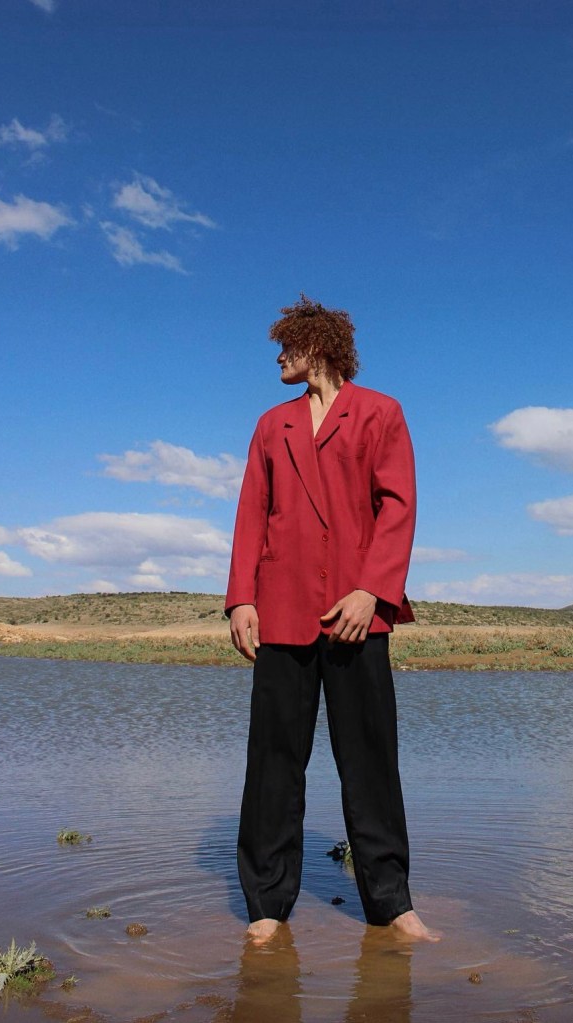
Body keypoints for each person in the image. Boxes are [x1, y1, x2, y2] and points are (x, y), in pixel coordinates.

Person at [225, 294, 437, 944]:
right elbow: (251, 514)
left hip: (355, 615)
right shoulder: (272, 425)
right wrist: (241, 599)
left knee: (370, 761)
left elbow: (398, 505)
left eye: (287, 345)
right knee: (273, 763)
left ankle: (392, 904)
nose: (278, 357)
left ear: (318, 345)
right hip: (282, 609)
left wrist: (373, 590)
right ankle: (266, 905)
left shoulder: (380, 413)